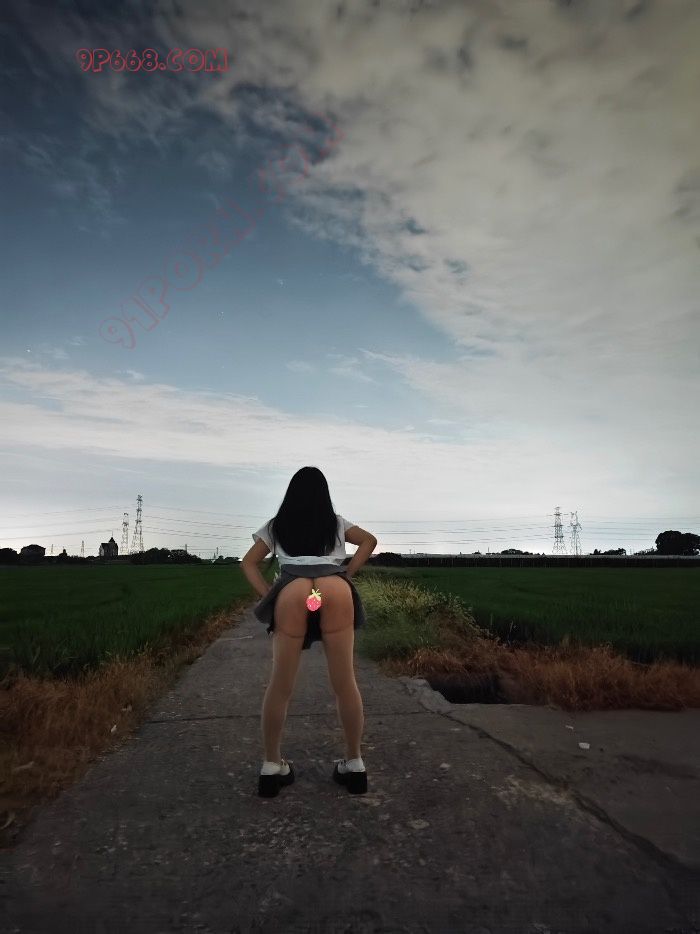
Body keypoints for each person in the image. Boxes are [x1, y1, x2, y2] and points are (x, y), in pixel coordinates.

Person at [240, 466, 377, 798]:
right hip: (334, 587)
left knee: (280, 685)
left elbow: (248, 563)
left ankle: (272, 766)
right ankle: (354, 763)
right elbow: (369, 541)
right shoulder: (336, 523)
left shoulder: (276, 525)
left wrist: (269, 596)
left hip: (293, 589)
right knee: (345, 683)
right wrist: (347, 574)